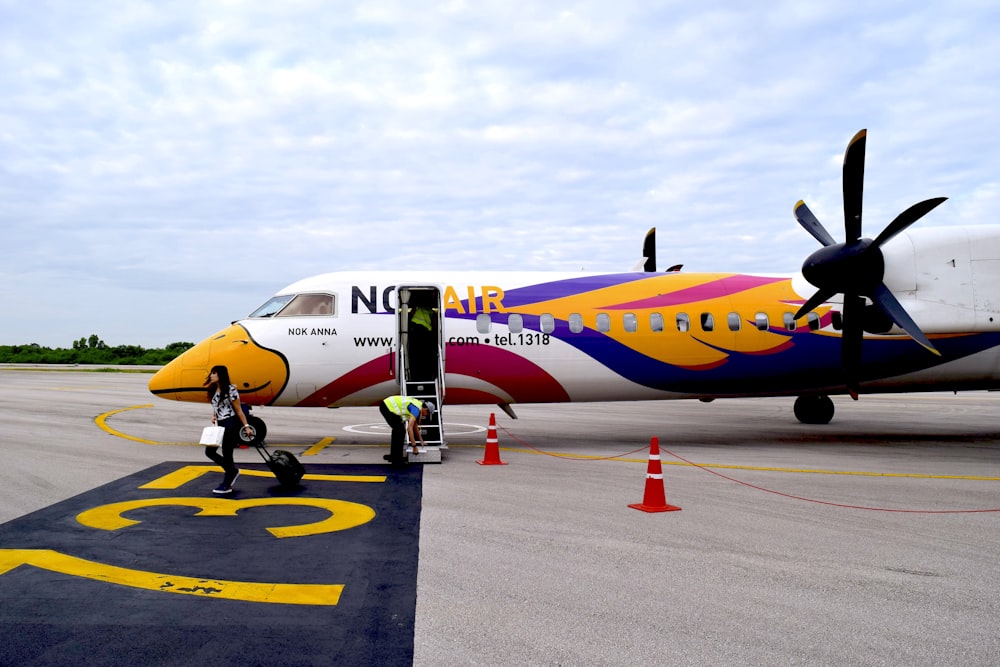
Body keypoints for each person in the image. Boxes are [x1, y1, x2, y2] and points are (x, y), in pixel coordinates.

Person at [204, 365, 253, 494]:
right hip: (219, 424)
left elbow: (238, 410)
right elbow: (216, 406)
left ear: (221, 375)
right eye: (211, 373)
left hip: (230, 424)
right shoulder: (213, 389)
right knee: (209, 452)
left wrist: (246, 426)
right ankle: (232, 471)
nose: (211, 376)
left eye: (214, 373)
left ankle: (227, 482)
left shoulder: (231, 390)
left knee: (227, 454)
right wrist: (214, 414)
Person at [379, 396, 436, 466]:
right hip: (387, 407)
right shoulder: (416, 410)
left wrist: (421, 441)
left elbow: (415, 427)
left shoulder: (417, 405)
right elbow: (409, 428)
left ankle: (393, 456)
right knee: (400, 431)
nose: (426, 415)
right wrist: (414, 446)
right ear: (425, 409)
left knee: (397, 431)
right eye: (427, 414)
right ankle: (397, 461)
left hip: (386, 405)